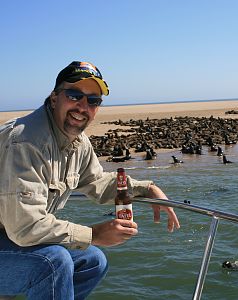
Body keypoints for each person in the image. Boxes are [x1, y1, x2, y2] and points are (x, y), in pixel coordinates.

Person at [0, 61, 180, 299]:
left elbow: (98, 182)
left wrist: (147, 189)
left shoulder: (77, 141)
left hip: (10, 238)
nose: (83, 106)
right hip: (11, 236)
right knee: (55, 261)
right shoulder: (25, 141)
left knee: (93, 261)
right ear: (54, 98)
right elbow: (26, 227)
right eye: (75, 95)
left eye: (93, 100)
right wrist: (95, 234)